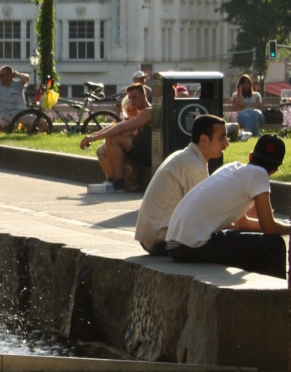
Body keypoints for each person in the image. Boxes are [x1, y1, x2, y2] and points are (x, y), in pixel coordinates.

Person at [166, 134, 290, 278]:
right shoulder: (259, 174)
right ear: (274, 170)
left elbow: (242, 224)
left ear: (250, 157)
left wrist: (277, 225)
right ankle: (279, 297)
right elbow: (270, 229)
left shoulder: (231, 168)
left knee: (253, 241)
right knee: (275, 244)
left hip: (175, 245)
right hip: (192, 247)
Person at [134, 114, 226, 255]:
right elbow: (201, 216)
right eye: (222, 137)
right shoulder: (193, 165)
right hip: (160, 240)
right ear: (204, 140)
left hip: (153, 237)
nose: (226, 143)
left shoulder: (188, 157)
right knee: (228, 242)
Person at [80, 83, 152, 190]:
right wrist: (91, 136)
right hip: (141, 148)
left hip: (149, 152)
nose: (131, 100)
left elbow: (121, 128)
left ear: (144, 96)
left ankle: (118, 181)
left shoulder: (149, 111)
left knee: (114, 139)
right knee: (109, 139)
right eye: (130, 97)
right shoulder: (140, 112)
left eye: (134, 97)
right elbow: (118, 126)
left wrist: (92, 138)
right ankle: (113, 179)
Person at [0, 66, 30, 132]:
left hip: (21, 114)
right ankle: (10, 136)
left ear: (9, 75)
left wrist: (17, 74)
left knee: (42, 123)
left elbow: (27, 78)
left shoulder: (18, 84)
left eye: (2, 76)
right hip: (5, 115)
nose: (0, 78)